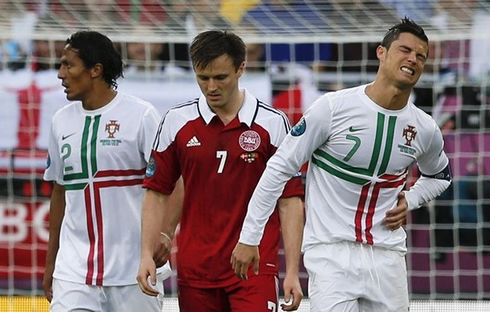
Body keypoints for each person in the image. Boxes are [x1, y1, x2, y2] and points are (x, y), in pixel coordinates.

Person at [231, 18, 452, 311]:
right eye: (405, 50)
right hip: (331, 253)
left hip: (388, 257)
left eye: (420, 56)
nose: (413, 59)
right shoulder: (333, 108)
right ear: (381, 53)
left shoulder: (424, 128)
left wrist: (411, 200)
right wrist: (250, 236)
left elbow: (440, 175)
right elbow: (279, 169)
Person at [137, 30, 305, 312]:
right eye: (203, 78)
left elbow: (289, 201)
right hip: (196, 270)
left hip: (254, 268)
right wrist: (145, 254)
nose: (211, 87)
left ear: (241, 68)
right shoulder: (176, 122)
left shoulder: (273, 124)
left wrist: (292, 272)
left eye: (220, 77)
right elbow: (157, 192)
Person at [42, 30, 170, 312]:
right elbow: (60, 192)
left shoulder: (141, 115)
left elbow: (175, 181)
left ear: (95, 70)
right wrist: (51, 264)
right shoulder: (60, 121)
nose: (61, 74)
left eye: (68, 64)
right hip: (73, 272)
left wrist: (167, 234)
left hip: (133, 268)